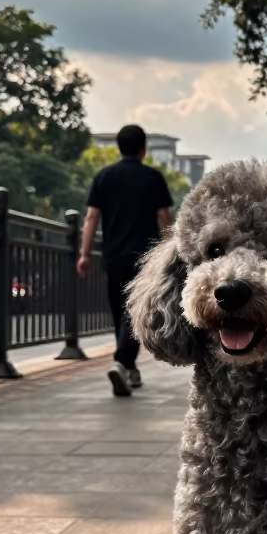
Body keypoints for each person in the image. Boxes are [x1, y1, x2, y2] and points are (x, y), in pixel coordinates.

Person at [77, 124, 173, 396]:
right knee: (134, 312)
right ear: (144, 149)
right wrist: (171, 252)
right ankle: (124, 363)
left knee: (121, 311)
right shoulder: (153, 178)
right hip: (145, 260)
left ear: (119, 147)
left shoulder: (104, 177)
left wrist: (84, 254)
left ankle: (126, 366)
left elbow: (91, 218)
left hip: (113, 256)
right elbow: (164, 220)